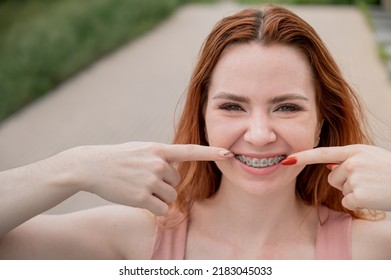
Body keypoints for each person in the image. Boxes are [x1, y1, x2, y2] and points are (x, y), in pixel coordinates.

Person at [1, 5, 391, 260]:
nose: (258, 135)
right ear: (202, 116)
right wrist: (73, 167)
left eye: (287, 107)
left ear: (322, 121)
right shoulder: (132, 239)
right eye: (231, 106)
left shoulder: (371, 249)